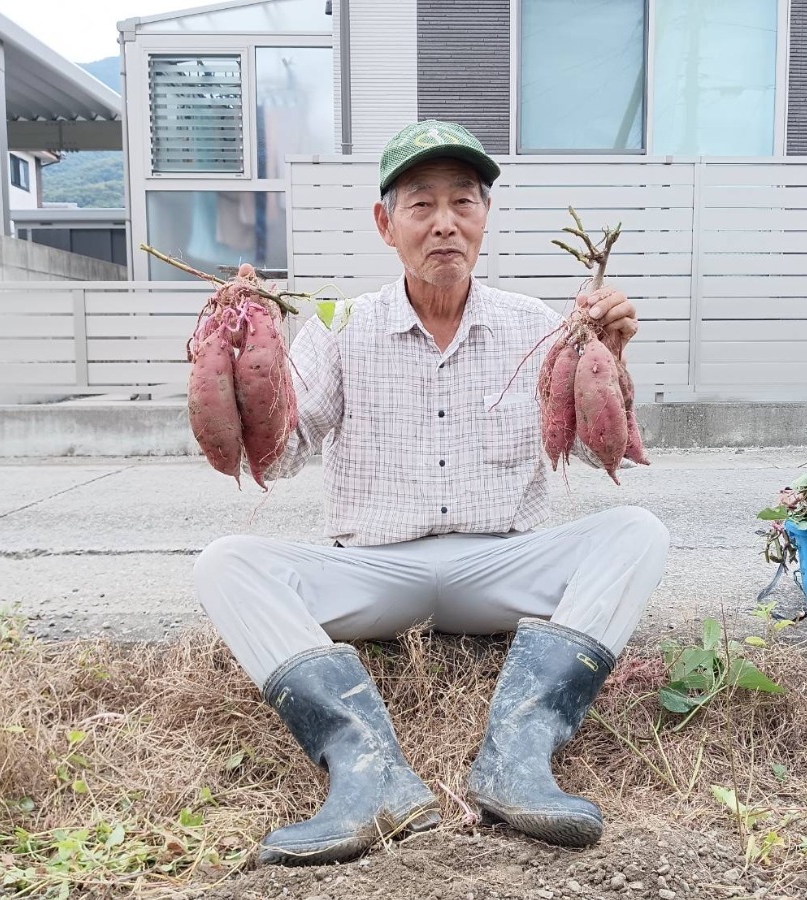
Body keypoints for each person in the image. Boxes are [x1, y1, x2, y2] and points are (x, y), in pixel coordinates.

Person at [194, 120, 669, 866]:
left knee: (638, 531)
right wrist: (240, 365)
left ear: (485, 218)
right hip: (378, 572)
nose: (445, 222)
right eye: (421, 204)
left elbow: (588, 445)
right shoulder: (342, 326)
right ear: (387, 224)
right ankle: (367, 772)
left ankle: (519, 755)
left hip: (501, 569)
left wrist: (608, 355)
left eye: (464, 202)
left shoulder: (538, 325)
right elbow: (282, 456)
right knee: (226, 561)